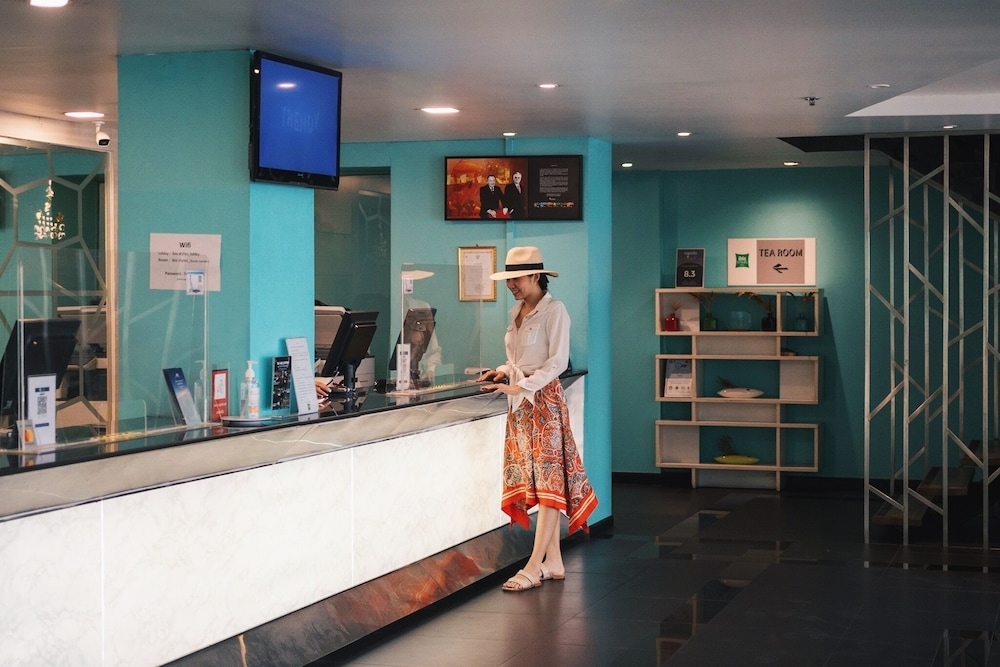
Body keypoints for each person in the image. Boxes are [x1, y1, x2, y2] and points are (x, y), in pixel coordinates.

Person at [479, 246, 598, 592]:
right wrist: (502, 371)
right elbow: (519, 360)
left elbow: (556, 362)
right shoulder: (517, 311)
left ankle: (533, 566)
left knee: (549, 485)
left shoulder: (554, 310)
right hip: (520, 406)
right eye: (508, 280)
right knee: (536, 480)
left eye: (516, 279)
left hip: (544, 403)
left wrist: (521, 386)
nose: (511, 285)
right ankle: (554, 561)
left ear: (535, 276)